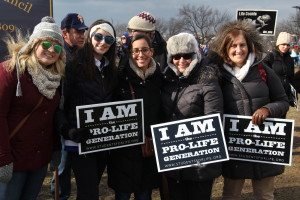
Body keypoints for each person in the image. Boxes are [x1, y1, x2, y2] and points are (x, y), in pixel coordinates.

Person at [209, 20, 289, 200]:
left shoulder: (264, 71)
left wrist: (268, 110)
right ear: (224, 48)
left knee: (264, 195)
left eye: (242, 45)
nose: (238, 50)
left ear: (250, 45)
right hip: (233, 148)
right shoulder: (216, 74)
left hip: (263, 145)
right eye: (233, 46)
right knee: (231, 194)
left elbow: (283, 101)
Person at [0, 16, 65, 199]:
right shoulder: (11, 72)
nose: (51, 50)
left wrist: (55, 149)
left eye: (57, 47)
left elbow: (51, 116)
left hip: (39, 161)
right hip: (12, 161)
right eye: (46, 44)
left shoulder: (55, 78)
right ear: (34, 44)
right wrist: (3, 159)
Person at [55, 19, 117, 200]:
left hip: (102, 141)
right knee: (89, 193)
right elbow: (60, 106)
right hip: (80, 142)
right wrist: (68, 131)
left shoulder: (111, 69)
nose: (102, 42)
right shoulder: (73, 66)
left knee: (90, 189)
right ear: (90, 38)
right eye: (98, 36)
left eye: (108, 39)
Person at [161, 32, 223, 200]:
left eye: (186, 56)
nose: (181, 61)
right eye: (176, 56)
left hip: (199, 162)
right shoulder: (167, 78)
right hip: (173, 157)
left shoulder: (208, 80)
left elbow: (214, 120)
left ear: (195, 55)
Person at [108, 34, 162, 200]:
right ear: (130, 53)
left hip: (148, 148)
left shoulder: (159, 77)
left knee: (144, 194)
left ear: (151, 51)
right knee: (123, 194)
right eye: (136, 50)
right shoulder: (120, 77)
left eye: (145, 50)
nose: (141, 54)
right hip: (124, 150)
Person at [50, 13, 88, 200]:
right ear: (65, 33)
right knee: (63, 166)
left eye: (83, 31)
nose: (82, 35)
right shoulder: (58, 53)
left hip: (78, 117)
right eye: (77, 31)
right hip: (60, 118)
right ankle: (60, 196)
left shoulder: (84, 54)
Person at [263, 32, 295, 108]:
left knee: (282, 117)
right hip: (271, 95)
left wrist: (292, 95)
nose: (286, 47)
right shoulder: (270, 56)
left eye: (288, 45)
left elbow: (291, 78)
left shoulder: (289, 59)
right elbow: (264, 76)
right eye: (283, 44)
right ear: (278, 44)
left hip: (284, 95)